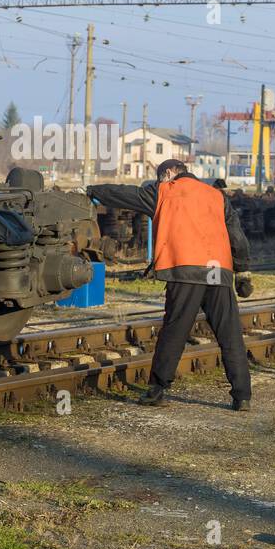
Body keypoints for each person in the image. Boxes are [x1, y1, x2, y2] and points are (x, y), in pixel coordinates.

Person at [87, 159, 253, 410]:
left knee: (174, 333)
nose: (158, 182)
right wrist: (242, 272)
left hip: (185, 271)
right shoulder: (217, 196)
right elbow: (237, 237)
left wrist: (92, 191)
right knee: (230, 335)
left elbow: (124, 194)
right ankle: (242, 396)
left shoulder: (164, 191)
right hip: (218, 272)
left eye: (158, 177)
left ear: (168, 173)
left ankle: (157, 390)